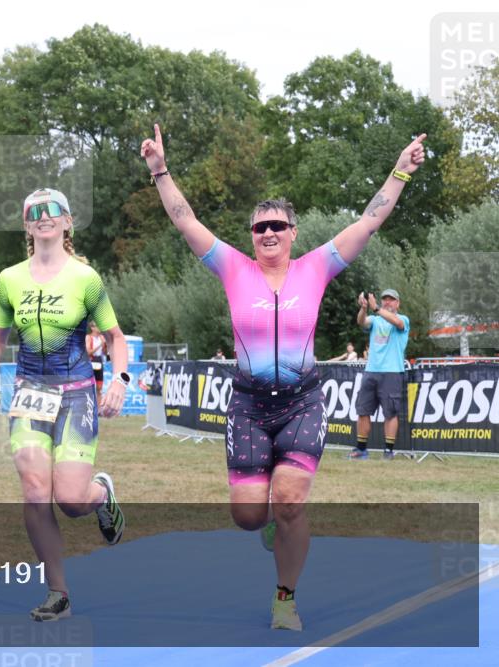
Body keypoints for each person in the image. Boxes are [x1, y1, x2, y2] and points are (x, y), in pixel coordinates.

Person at [141, 122, 426, 631]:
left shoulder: (317, 267)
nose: (268, 232)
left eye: (277, 226)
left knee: (290, 500)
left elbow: (368, 222)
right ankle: (269, 523)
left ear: (294, 233)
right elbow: (186, 222)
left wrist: (399, 173)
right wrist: (160, 170)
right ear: (250, 237)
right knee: (249, 516)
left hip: (302, 402)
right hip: (249, 405)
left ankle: (285, 598)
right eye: (259, 227)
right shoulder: (232, 268)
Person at [0, 187, 128, 622]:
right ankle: (58, 592)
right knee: (36, 493)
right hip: (29, 392)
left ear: (67, 221)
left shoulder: (85, 277)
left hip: (76, 392)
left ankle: (101, 496)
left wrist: (120, 380)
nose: (43, 217)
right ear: (26, 225)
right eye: (34, 212)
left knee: (71, 500)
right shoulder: (9, 279)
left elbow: (115, 338)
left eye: (51, 210)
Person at [350, 290, 410, 460]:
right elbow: (361, 322)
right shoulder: (375, 320)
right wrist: (363, 308)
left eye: (391, 300)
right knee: (363, 410)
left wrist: (375, 308)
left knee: (390, 413)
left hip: (392, 372)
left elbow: (397, 322)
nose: (387, 302)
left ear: (398, 303)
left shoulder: (403, 319)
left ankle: (388, 451)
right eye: (385, 300)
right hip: (371, 370)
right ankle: (361, 450)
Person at [85, 321, 107, 393]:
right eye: (98, 326)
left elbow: (105, 353)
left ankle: (99, 404)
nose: (100, 328)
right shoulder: (89, 337)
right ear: (92, 328)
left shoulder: (102, 337)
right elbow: (88, 352)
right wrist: (100, 345)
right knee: (88, 386)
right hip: (91, 360)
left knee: (99, 387)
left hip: (99, 360)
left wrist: (105, 345)